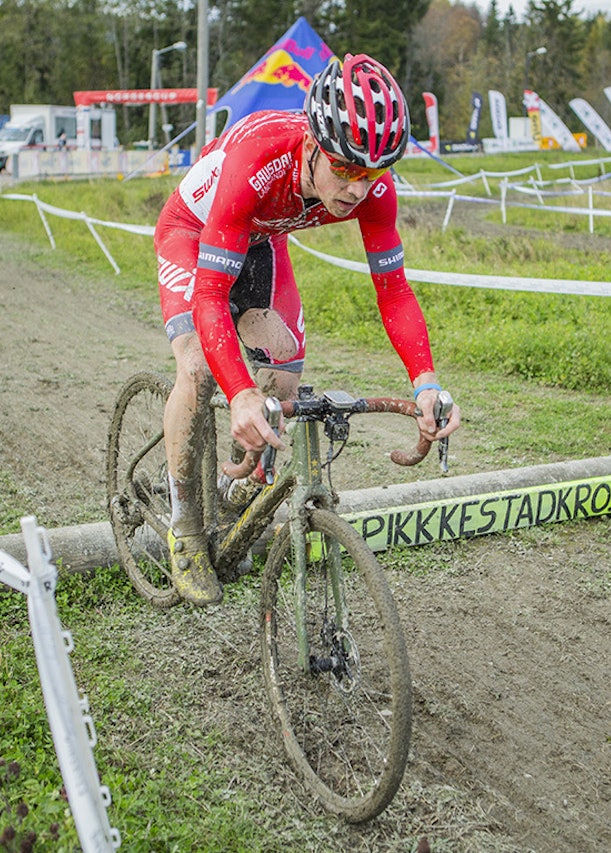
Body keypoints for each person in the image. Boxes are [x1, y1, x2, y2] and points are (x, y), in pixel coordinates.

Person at [152, 54, 461, 606]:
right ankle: (185, 528)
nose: (355, 188)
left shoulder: (373, 188)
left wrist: (426, 381)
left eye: (371, 174)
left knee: (286, 377)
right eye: (344, 169)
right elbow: (209, 295)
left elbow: (393, 291)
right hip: (194, 233)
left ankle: (238, 493)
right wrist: (239, 393)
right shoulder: (259, 160)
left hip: (263, 238)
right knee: (198, 370)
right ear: (313, 146)